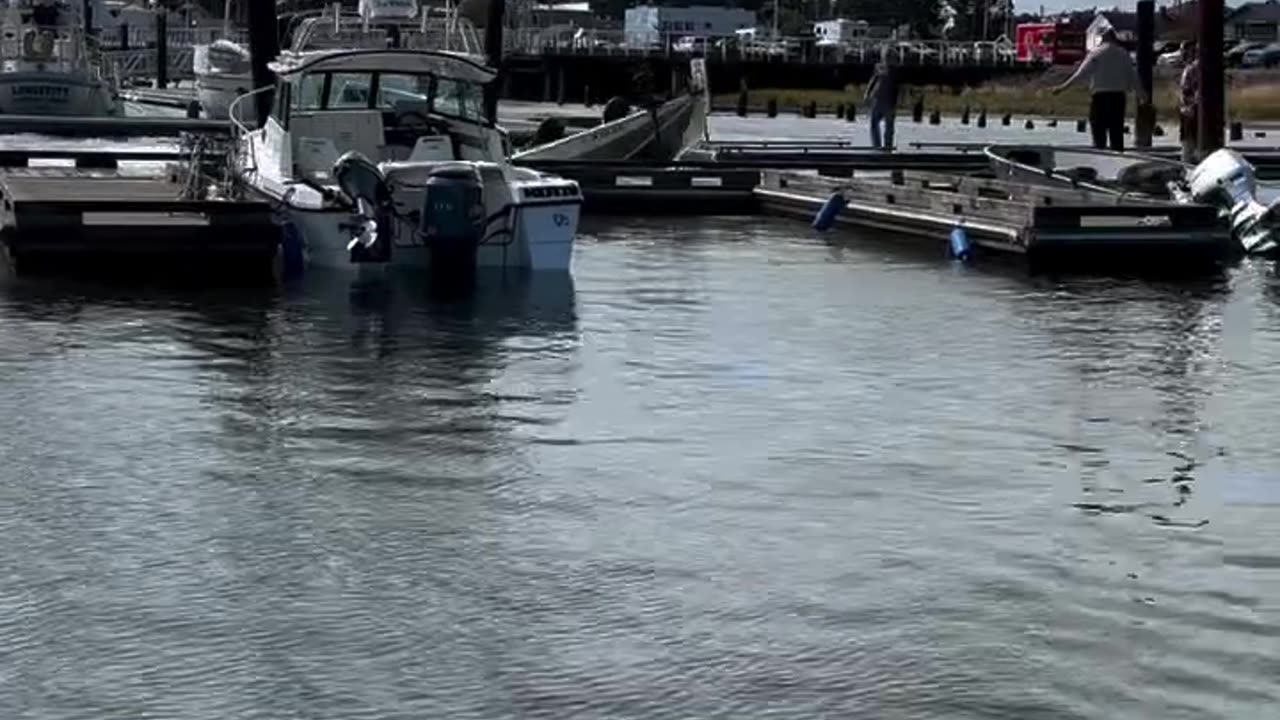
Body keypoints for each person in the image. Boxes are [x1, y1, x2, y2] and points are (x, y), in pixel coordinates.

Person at [1053, 28, 1145, 152]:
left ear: (1103, 38)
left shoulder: (1096, 54)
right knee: (1116, 131)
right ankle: (1118, 157)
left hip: (1100, 97)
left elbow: (1080, 74)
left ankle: (1100, 155)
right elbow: (1133, 77)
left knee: (1098, 130)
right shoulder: (1124, 54)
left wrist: (1063, 87)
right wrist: (1142, 95)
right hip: (1118, 97)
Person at [865, 61, 898, 151]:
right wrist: (867, 94)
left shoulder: (893, 71)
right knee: (875, 123)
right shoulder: (879, 70)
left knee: (888, 127)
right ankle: (877, 145)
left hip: (888, 102)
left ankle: (887, 146)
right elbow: (873, 81)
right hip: (879, 101)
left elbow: (897, 88)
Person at [1179, 40, 1201, 164]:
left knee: (1188, 140)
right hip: (1196, 107)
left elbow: (1185, 90)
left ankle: (1187, 161)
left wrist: (1188, 105)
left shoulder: (1191, 69)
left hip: (1191, 109)